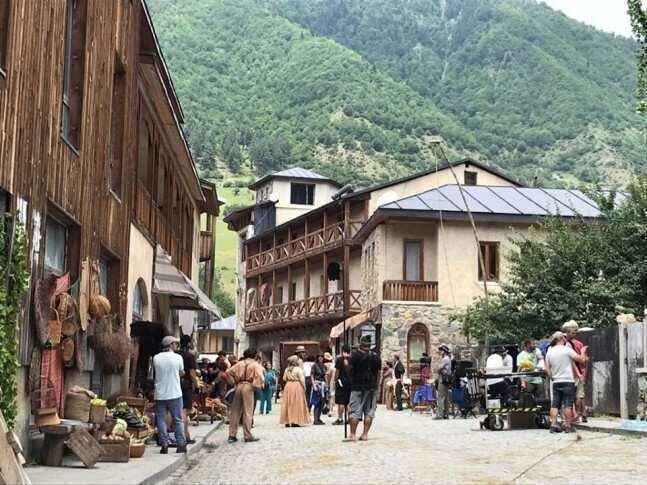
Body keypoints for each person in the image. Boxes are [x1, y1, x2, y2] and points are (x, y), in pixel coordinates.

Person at [545, 331, 588, 433]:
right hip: (567, 380)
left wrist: (552, 377)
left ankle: (553, 424)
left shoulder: (549, 352)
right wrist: (582, 351)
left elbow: (547, 369)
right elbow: (581, 360)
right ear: (561, 339)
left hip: (556, 381)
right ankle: (568, 425)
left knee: (555, 405)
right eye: (564, 337)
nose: (565, 339)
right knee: (567, 404)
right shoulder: (567, 350)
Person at [153, 336, 186, 454]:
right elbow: (181, 372)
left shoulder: (156, 358)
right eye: (175, 343)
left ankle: (164, 444)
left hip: (160, 394)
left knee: (161, 419)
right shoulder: (178, 357)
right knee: (177, 419)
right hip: (175, 393)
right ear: (171, 345)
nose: (176, 345)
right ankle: (181, 444)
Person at [347, 335, 381, 441]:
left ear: (360, 344)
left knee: (354, 411)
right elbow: (379, 373)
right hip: (372, 387)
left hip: (357, 387)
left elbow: (349, 371)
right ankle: (365, 434)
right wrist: (377, 385)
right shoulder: (376, 357)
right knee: (369, 412)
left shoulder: (354, 356)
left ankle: (352, 434)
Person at [226, 348, 264, 443]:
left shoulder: (239, 364)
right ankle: (247, 435)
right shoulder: (256, 365)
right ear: (254, 355)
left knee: (235, 411)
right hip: (249, 386)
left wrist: (234, 382)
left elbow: (228, 373)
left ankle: (232, 435)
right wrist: (256, 386)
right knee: (248, 411)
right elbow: (260, 377)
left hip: (239, 385)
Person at [562, 320, 588, 422]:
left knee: (574, 396)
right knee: (580, 395)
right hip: (578, 371)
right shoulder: (579, 344)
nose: (574, 334)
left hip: (571, 373)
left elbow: (573, 361)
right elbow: (584, 359)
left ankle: (576, 415)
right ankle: (582, 414)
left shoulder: (564, 344)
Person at [179, 335, 199, 445]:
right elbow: (192, 373)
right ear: (188, 343)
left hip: (175, 384)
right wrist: (196, 385)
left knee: (173, 410)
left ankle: (171, 435)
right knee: (185, 411)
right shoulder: (189, 356)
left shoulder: (176, 354)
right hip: (186, 385)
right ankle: (185, 436)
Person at [279, 355, 311, 427]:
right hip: (297, 385)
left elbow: (284, 378)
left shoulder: (287, 369)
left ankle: (287, 421)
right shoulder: (298, 369)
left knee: (288, 403)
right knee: (296, 403)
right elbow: (302, 379)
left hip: (288, 385)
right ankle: (295, 421)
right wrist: (304, 387)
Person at [332, 344, 351, 425]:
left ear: (342, 350)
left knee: (341, 402)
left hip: (341, 382)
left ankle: (340, 419)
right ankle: (349, 418)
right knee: (349, 402)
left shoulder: (340, 359)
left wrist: (335, 380)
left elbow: (337, 371)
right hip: (350, 383)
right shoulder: (352, 359)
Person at [435, 345, 452, 419]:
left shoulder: (445, 359)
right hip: (447, 379)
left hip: (443, 379)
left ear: (444, 352)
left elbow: (439, 369)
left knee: (440, 397)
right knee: (446, 397)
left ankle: (440, 415)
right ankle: (446, 414)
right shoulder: (448, 358)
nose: (440, 352)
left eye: (441, 350)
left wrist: (438, 369)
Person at [310, 354, 328, 425]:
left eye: (322, 358)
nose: (321, 359)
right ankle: (315, 419)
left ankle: (319, 418)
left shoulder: (324, 366)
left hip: (323, 385)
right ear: (317, 358)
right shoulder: (314, 365)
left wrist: (327, 385)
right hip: (317, 384)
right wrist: (314, 385)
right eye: (319, 358)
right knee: (316, 402)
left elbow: (325, 376)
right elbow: (312, 376)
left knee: (322, 402)